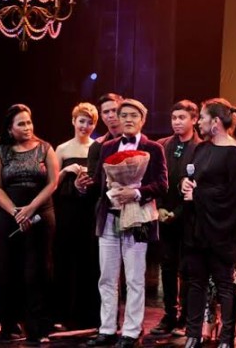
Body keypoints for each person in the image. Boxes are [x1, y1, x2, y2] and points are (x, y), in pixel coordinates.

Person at [86, 98, 168, 348]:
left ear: (143, 120)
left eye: (134, 115)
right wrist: (85, 185)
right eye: (124, 116)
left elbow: (162, 184)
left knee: (134, 278)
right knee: (107, 278)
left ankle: (131, 332)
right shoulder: (107, 146)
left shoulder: (153, 148)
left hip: (137, 219)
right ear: (117, 120)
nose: (128, 120)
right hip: (109, 217)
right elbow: (99, 181)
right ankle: (107, 329)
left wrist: (136, 193)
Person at [0, 104, 59, 344]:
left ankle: (37, 326)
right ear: (10, 128)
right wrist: (15, 212)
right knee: (8, 270)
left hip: (41, 214)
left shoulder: (45, 148)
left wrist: (30, 209)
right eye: (21, 123)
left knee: (37, 270)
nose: (27, 127)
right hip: (8, 216)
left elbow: (53, 183)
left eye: (29, 122)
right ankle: (9, 324)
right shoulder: (1, 151)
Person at [181, 98, 236, 348]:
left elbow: (233, 195)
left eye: (202, 117)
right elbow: (192, 178)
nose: (198, 122)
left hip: (222, 231)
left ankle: (227, 338)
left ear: (216, 122)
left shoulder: (234, 153)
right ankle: (193, 334)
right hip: (197, 227)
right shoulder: (201, 149)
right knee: (195, 283)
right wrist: (184, 185)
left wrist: (198, 194)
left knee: (224, 285)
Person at [152, 100, 201, 337]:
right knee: (167, 266)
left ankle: (187, 316)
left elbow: (199, 183)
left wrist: (178, 212)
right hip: (164, 214)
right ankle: (169, 314)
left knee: (188, 268)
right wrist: (160, 207)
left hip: (190, 216)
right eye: (174, 118)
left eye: (182, 117)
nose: (177, 122)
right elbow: (156, 179)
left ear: (194, 119)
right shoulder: (162, 145)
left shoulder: (201, 147)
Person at [53, 102, 100, 330]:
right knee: (65, 259)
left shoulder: (97, 148)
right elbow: (51, 183)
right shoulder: (61, 149)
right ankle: (62, 313)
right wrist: (65, 171)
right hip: (66, 210)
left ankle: (87, 315)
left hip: (89, 210)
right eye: (82, 121)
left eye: (90, 122)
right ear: (73, 121)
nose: (85, 126)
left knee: (88, 260)